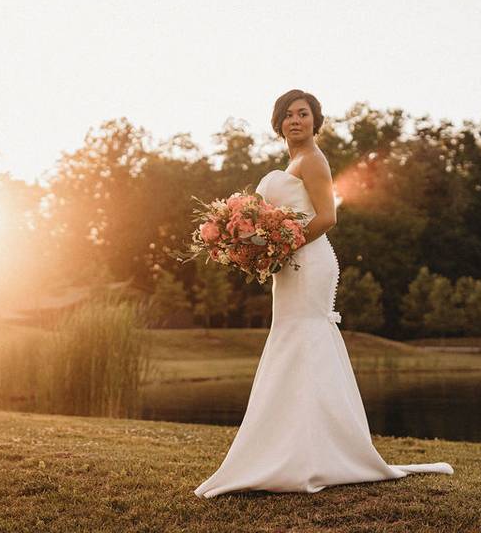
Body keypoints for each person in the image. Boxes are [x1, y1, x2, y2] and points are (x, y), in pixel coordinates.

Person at [193, 89, 454, 497]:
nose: (295, 120)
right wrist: (254, 246)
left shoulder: (314, 160)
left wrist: (279, 246)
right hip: (290, 267)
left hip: (310, 263)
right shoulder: (293, 162)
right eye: (288, 115)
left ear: (316, 121)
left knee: (305, 341)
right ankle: (294, 449)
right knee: (292, 344)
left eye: (303, 114)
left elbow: (327, 217)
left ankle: (316, 454)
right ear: (278, 122)